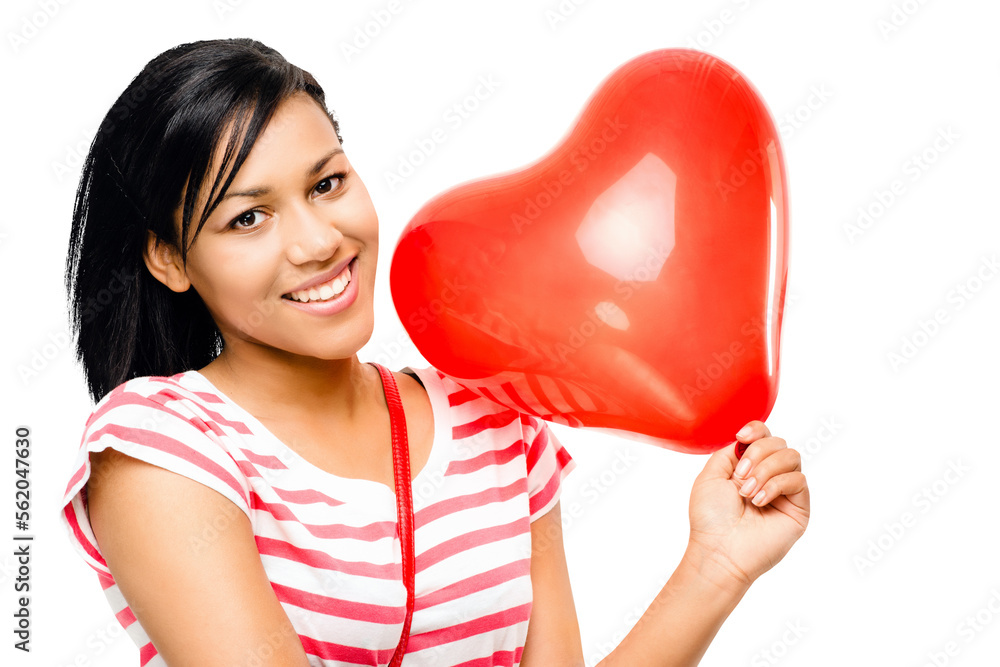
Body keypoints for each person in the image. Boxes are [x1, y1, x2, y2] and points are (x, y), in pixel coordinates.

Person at [60, 38, 810, 666]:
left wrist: (718, 563)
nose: (319, 241)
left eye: (327, 183)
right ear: (169, 259)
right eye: (249, 217)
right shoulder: (164, 448)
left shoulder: (493, 413)